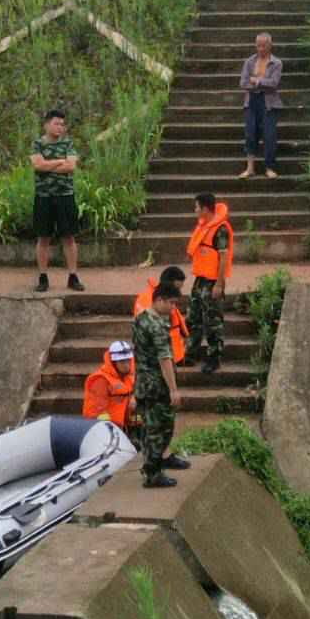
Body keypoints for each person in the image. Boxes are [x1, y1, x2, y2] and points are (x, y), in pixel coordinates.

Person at [132, 283, 190, 488]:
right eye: (171, 303)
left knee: (149, 427)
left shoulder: (140, 319)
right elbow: (165, 358)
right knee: (162, 428)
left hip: (143, 383)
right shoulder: (156, 326)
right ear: (159, 300)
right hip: (157, 385)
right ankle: (153, 473)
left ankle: (153, 465)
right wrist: (173, 389)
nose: (173, 308)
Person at [30, 109, 85, 293]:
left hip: (65, 196)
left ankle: (73, 276)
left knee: (69, 237)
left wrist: (48, 165)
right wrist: (59, 162)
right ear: (46, 124)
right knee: (43, 237)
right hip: (43, 197)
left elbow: (70, 166)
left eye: (62, 124)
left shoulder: (68, 144)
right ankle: (43, 277)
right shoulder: (37, 144)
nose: (60, 127)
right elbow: (37, 165)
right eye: (56, 123)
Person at [185, 193, 233, 373]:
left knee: (212, 322)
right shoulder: (204, 226)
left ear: (205, 208)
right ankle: (190, 352)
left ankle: (214, 358)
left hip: (213, 282)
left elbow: (223, 258)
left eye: (196, 207)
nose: (195, 210)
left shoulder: (220, 229)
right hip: (200, 280)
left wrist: (219, 285)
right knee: (193, 317)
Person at [239, 32, 283, 180]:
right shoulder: (249, 62)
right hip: (251, 101)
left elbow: (274, 83)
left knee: (269, 135)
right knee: (250, 134)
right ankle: (250, 167)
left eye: (264, 45)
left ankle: (269, 167)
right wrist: (262, 83)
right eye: (258, 45)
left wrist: (257, 82)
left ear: (270, 45)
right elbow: (243, 83)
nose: (260, 48)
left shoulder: (276, 63)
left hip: (269, 103)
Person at [133, 265, 189, 365]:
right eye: (177, 287)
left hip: (172, 355)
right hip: (158, 357)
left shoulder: (166, 298)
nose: (179, 291)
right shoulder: (147, 299)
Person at [82, 341, 136, 433]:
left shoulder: (128, 378)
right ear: (113, 363)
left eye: (128, 360)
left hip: (121, 427)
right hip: (103, 429)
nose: (126, 365)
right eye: (122, 361)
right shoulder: (100, 380)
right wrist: (110, 429)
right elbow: (96, 412)